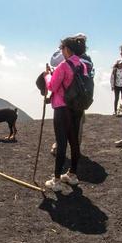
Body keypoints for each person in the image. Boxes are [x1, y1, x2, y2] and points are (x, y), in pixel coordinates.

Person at [42, 36, 88, 192]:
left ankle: (56, 180)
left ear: (67, 49)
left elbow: (52, 86)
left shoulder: (63, 66)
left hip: (62, 108)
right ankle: (72, 175)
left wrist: (47, 75)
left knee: (61, 143)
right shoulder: (82, 65)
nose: (61, 51)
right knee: (74, 142)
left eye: (62, 48)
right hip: (77, 108)